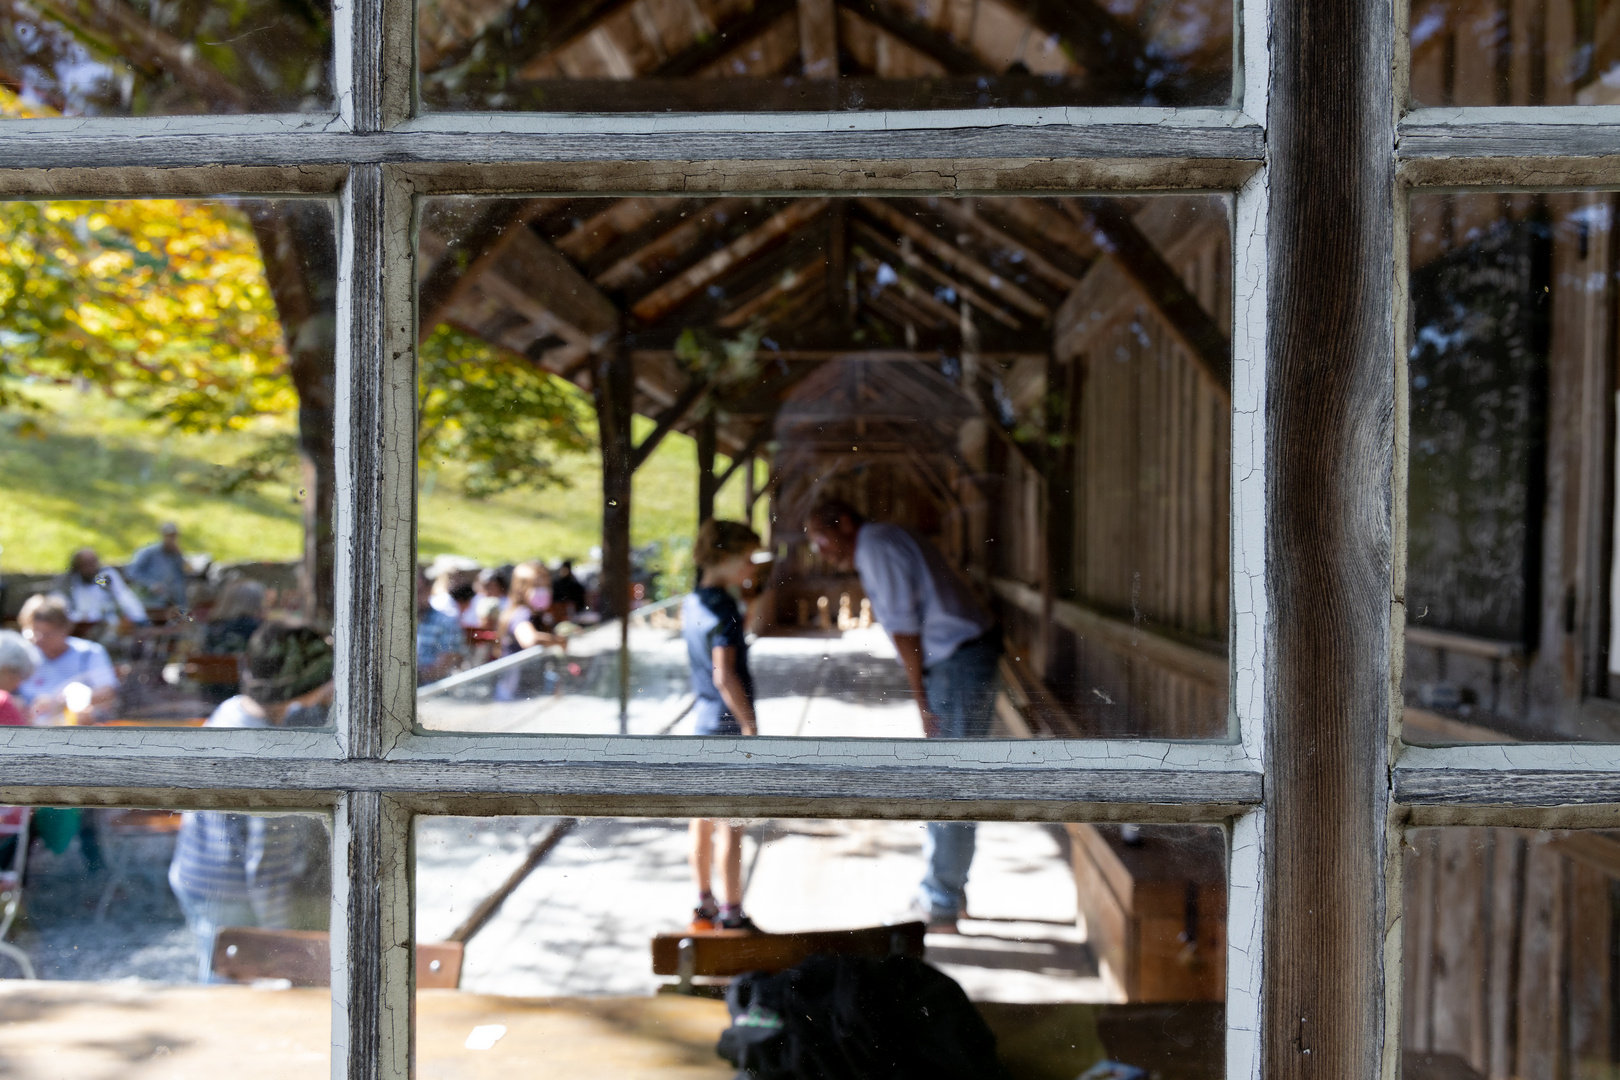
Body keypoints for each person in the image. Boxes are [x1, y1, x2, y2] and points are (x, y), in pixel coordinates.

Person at [805, 499, 1002, 934]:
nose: (820, 549)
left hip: (956, 660)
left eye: (821, 536)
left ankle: (943, 903)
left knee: (950, 783)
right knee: (949, 779)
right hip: (961, 656)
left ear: (847, 524)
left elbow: (905, 629)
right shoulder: (882, 540)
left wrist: (920, 700)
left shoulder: (875, 546)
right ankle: (944, 890)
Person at [169, 621, 334, 980]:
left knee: (214, 967)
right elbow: (266, 866)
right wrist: (283, 942)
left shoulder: (231, 711)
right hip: (230, 894)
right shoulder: (268, 758)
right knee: (232, 984)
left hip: (198, 872)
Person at [682, 519, 763, 932]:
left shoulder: (693, 601)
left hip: (702, 724)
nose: (752, 567)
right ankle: (733, 912)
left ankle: (704, 904)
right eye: (748, 559)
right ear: (725, 557)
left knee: (702, 818)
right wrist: (750, 726)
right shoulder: (724, 607)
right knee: (733, 824)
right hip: (729, 728)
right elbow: (723, 674)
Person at [15, 594, 119, 724]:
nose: (40, 639)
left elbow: (108, 692)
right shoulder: (23, 655)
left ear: (65, 629)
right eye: (34, 632)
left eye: (48, 634)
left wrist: (64, 702)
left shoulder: (88, 653)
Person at [59, 548, 148, 629]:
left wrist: (139, 618)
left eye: (92, 563)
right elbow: (62, 603)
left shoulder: (101, 578)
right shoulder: (71, 580)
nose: (89, 568)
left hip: (106, 623)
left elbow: (123, 595)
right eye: (85, 564)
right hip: (79, 625)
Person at [417, 571, 465, 684]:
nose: (412, 597)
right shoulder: (397, 622)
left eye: (418, 591)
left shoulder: (446, 622)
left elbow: (443, 668)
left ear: (429, 590)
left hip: (433, 693)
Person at [126, 523, 189, 609]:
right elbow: (132, 572)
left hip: (171, 597)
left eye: (174, 536)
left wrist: (179, 556)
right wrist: (151, 584)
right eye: (168, 536)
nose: (171, 539)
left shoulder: (175, 554)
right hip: (149, 597)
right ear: (163, 536)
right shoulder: (149, 552)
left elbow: (182, 575)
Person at [0, 630, 37, 727]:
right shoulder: (3, 701)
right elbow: (24, 739)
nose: (18, 684)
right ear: (6, 669)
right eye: (18, 675)